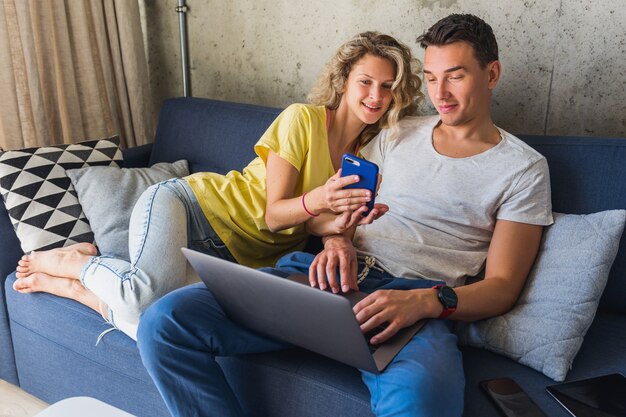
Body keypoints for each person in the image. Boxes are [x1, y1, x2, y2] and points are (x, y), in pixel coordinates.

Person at [137, 14, 553, 417]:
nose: (439, 92)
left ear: (492, 74)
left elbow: (502, 287)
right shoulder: (395, 133)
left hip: (411, 302)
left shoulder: (523, 168)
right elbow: (341, 215)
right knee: (164, 324)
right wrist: (337, 243)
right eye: (430, 77)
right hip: (324, 279)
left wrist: (426, 302)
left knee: (423, 402)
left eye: (455, 76)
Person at [12, 31, 423, 340]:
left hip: (235, 257)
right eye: (366, 81)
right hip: (190, 207)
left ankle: (71, 288)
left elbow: (311, 226)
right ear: (344, 81)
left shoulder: (366, 157)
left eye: (387, 86)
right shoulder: (303, 119)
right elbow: (275, 214)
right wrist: (321, 198)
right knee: (141, 296)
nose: (376, 95)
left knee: (156, 327)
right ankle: (72, 263)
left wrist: (347, 225)